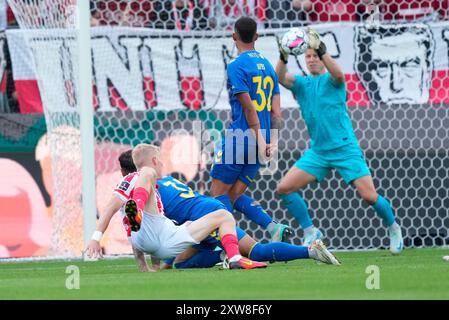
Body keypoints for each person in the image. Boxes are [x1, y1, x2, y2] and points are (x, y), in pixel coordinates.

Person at [275, 28, 404, 254]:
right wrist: (284, 55)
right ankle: (310, 231)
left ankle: (393, 228)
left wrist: (323, 50)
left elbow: (339, 75)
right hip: (318, 152)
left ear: (322, 58)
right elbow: (278, 77)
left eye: (316, 56)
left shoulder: (333, 81)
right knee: (284, 188)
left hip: (345, 149)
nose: (312, 60)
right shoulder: (302, 84)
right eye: (309, 57)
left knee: (369, 196)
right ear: (304, 60)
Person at [110, 149, 341, 269]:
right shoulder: (167, 180)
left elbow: (151, 230)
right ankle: (301, 246)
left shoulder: (147, 190)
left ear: (126, 172)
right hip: (207, 211)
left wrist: (157, 264)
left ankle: (228, 255)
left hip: (203, 218)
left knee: (256, 252)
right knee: (183, 257)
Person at [85, 144, 267, 270]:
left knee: (223, 215)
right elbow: (111, 209)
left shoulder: (146, 187)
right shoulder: (136, 178)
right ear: (155, 160)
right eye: (161, 160)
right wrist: (95, 238)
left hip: (158, 240)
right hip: (155, 236)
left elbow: (139, 229)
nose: (163, 164)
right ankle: (234, 256)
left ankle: (235, 259)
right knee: (146, 192)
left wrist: (146, 266)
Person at [209, 16, 292, 242]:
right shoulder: (268, 67)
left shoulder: (236, 66)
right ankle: (272, 227)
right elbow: (277, 113)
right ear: (257, 36)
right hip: (261, 141)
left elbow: (248, 109)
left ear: (234, 36)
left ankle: (229, 245)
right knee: (234, 195)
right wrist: (270, 142)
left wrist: (260, 139)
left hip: (241, 137)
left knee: (217, 196)